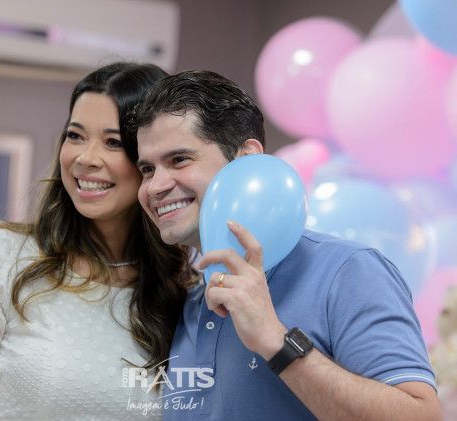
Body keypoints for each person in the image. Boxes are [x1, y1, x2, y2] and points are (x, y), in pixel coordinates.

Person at [131, 70, 443, 420]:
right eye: (147, 170)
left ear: (246, 159)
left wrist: (276, 340)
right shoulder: (190, 302)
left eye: (178, 160)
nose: (155, 187)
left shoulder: (347, 271)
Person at [0, 62, 198, 421]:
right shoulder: (2, 256)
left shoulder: (184, 291)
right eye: (75, 135)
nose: (85, 158)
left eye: (112, 142)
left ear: (150, 159)